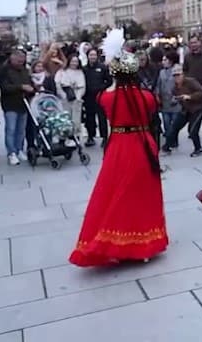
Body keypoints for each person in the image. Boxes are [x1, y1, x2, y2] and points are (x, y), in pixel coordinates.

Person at [69, 29, 168, 267]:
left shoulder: (106, 97)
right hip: (143, 144)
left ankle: (116, 240)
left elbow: (110, 101)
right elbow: (153, 108)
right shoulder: (146, 97)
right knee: (144, 194)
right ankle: (144, 243)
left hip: (118, 146)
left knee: (114, 192)